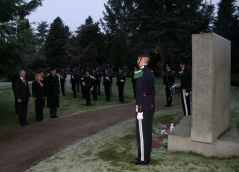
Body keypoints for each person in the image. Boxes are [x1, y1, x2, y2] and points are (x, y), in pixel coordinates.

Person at [132, 49, 155, 165]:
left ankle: (143, 159)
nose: (137, 61)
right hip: (150, 105)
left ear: (141, 59)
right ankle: (146, 156)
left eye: (138, 59)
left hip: (143, 107)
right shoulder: (150, 72)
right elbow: (152, 91)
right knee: (147, 132)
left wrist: (139, 108)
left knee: (141, 133)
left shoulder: (139, 73)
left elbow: (139, 92)